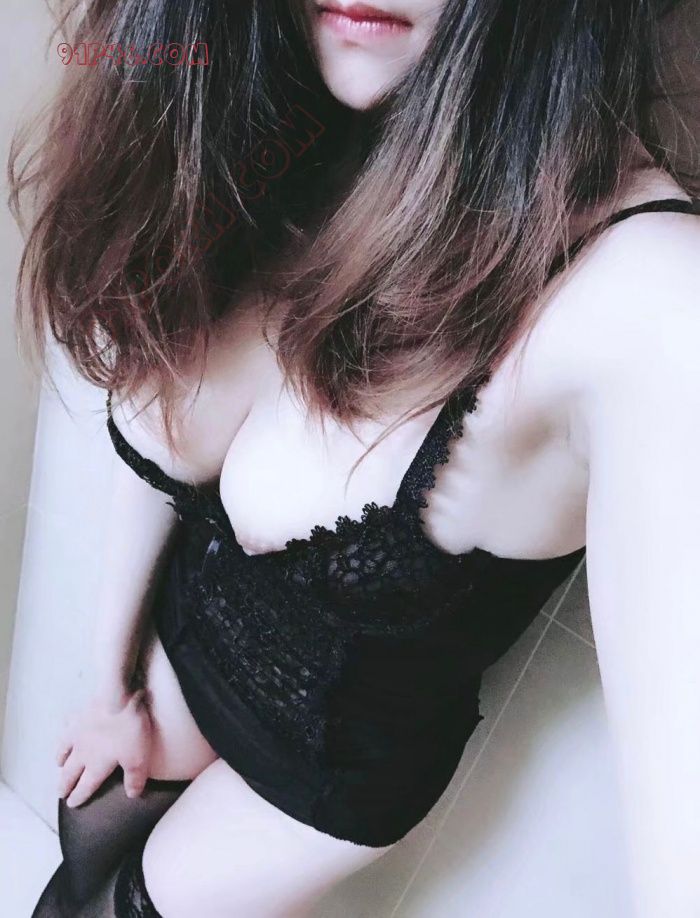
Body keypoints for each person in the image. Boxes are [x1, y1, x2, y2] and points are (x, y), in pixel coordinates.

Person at [9, 0, 700, 915]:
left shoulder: (649, 300)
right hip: (194, 636)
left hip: (323, 772)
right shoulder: (288, 117)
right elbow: (160, 444)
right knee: (83, 846)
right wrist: (110, 684)